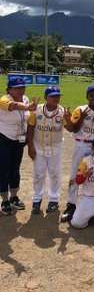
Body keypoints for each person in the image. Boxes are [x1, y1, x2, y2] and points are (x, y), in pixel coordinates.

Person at [61, 85, 94, 223]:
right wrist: (82, 117)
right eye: (91, 95)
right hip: (81, 144)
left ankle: (91, 206)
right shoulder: (80, 109)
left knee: (93, 175)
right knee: (75, 175)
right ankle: (71, 204)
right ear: (87, 97)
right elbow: (73, 129)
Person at [27, 86, 72, 214]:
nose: (55, 98)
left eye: (57, 96)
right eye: (52, 96)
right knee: (39, 174)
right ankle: (37, 199)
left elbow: (70, 129)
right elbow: (30, 127)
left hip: (55, 148)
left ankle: (53, 200)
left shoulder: (62, 111)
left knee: (55, 174)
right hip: (38, 147)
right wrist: (30, 146)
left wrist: (68, 119)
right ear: (46, 97)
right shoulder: (37, 109)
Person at [0, 77, 38, 215]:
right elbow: (12, 106)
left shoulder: (26, 98)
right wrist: (27, 107)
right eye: (17, 88)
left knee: (15, 169)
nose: (21, 90)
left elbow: (28, 119)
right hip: (4, 139)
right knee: (4, 170)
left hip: (19, 141)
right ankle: (4, 200)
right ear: (9, 89)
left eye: (22, 87)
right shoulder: (4, 99)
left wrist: (28, 139)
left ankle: (14, 196)